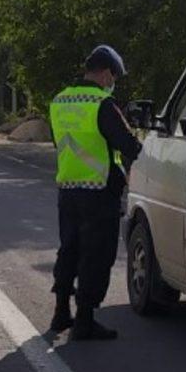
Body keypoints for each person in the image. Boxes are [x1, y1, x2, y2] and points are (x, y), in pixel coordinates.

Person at [49, 45, 143, 340]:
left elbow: (58, 142)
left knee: (69, 249)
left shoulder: (59, 101)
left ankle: (61, 311)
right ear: (105, 72)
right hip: (99, 191)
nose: (112, 82)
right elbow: (129, 146)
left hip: (68, 188)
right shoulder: (102, 103)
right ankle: (85, 320)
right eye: (113, 76)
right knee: (96, 255)